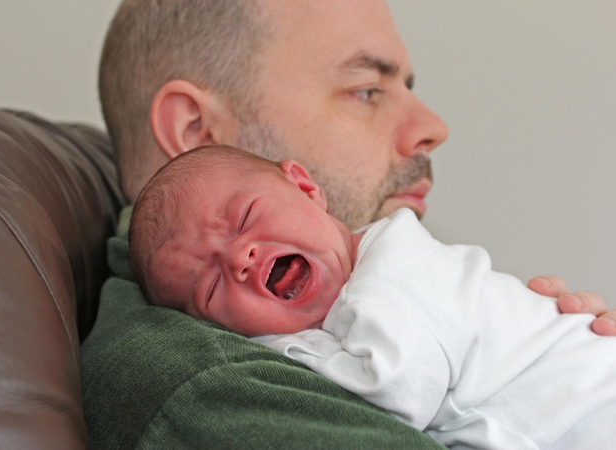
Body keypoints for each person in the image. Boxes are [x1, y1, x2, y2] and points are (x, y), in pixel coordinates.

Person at [82, 0, 616, 447]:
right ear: (198, 129)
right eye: (366, 89)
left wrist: (554, 370)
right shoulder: (209, 383)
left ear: (303, 185)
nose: (433, 128)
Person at [129, 145, 616, 449]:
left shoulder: (396, 265)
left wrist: (284, 347)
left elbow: (400, 391)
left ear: (304, 187)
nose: (241, 257)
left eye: (245, 217)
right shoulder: (203, 375)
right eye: (211, 286)